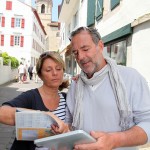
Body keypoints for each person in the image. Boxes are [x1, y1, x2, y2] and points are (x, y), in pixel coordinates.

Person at [65, 27, 150, 150]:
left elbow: (148, 123)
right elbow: (70, 123)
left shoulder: (130, 77)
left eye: (85, 49)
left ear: (100, 45)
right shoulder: (75, 85)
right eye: (76, 52)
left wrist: (115, 140)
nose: (81, 57)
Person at [0, 51, 69, 150]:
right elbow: (2, 112)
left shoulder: (66, 99)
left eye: (58, 69)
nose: (55, 73)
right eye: (48, 70)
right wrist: (45, 115)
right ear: (40, 75)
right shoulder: (31, 97)